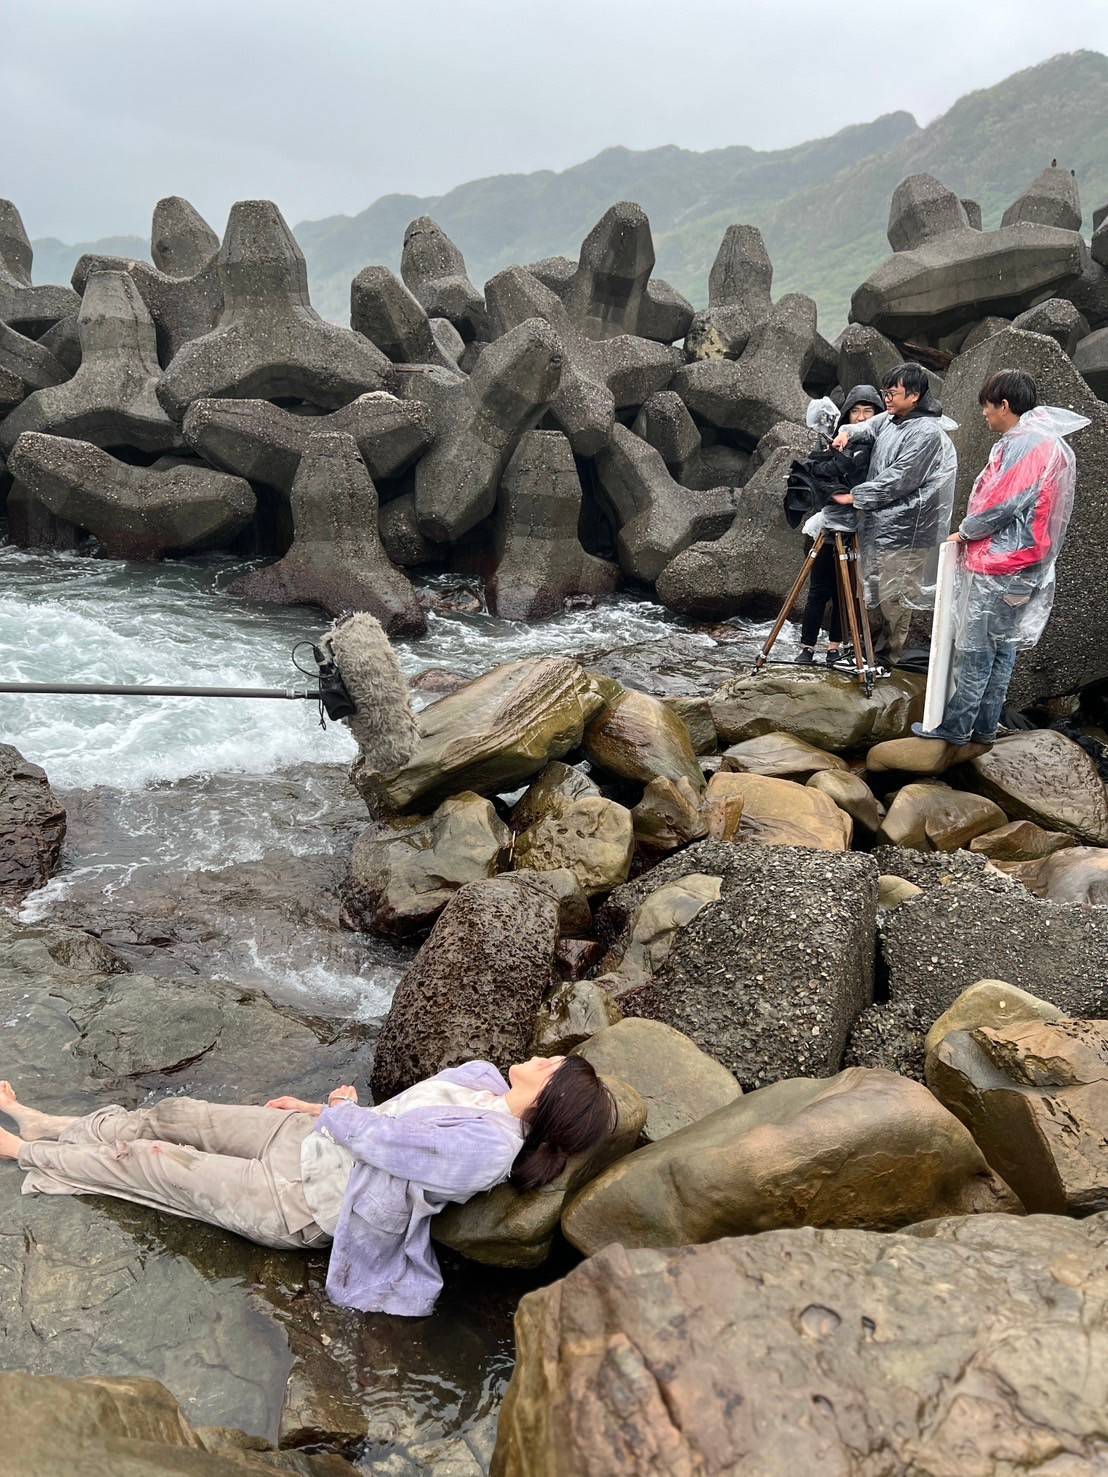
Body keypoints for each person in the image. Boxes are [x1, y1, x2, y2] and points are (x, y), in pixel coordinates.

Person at [0, 1055, 615, 1318]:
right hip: (309, 1142)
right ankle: (47, 1123)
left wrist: (340, 1109)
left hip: (300, 1201)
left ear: (550, 1095)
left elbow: (386, 1143)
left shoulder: (488, 1148)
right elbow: (393, 1117)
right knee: (176, 1116)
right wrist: (320, 1111)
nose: (544, 1058)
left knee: (152, 1159)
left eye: (555, 1067)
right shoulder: (481, 1082)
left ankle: (25, 1150)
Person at [911, 370, 1088, 748]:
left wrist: (967, 531)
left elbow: (1002, 501)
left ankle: (957, 728)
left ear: (1004, 405)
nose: (984, 415)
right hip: (1030, 567)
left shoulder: (1024, 443)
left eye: (987, 407)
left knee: (976, 651)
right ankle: (986, 728)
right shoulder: (1051, 443)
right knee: (1003, 648)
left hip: (1000, 566)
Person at [831, 362, 958, 664]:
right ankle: (870, 651)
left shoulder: (926, 433)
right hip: (882, 522)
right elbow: (868, 427)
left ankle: (890, 658)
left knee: (896, 596)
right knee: (875, 587)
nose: (886, 398)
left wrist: (856, 496)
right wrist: (847, 432)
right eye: (885, 392)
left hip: (910, 528)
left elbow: (900, 479)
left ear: (914, 396)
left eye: (892, 392)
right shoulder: (891, 419)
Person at [796, 384, 885, 665]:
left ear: (878, 413)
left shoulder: (881, 447)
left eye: (867, 411)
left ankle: (834, 647)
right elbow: (814, 475)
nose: (860, 417)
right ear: (846, 414)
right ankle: (807, 647)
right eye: (855, 411)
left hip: (859, 529)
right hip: (828, 525)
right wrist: (836, 493)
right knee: (818, 589)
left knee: (844, 591)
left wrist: (855, 496)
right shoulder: (831, 442)